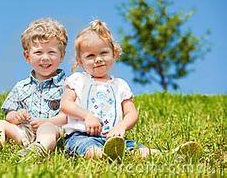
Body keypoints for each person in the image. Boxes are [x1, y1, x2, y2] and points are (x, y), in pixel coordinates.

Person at [60, 19, 202, 161]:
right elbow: (66, 104)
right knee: (89, 149)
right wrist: (87, 116)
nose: (98, 59)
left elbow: (131, 113)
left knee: (138, 149)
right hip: (81, 135)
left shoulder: (120, 85)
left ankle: (171, 155)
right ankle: (105, 156)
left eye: (103, 53)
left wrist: (121, 126)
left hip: (113, 139)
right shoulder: (78, 79)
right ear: (80, 60)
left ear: (114, 53)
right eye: (90, 56)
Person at [0, 18, 68, 157]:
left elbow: (68, 116)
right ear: (27, 56)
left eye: (51, 52)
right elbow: (9, 115)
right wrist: (16, 116)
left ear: (62, 56)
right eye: (38, 52)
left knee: (46, 129)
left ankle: (37, 150)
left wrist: (47, 121)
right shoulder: (21, 86)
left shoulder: (67, 85)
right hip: (25, 131)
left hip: (53, 131)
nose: (45, 58)